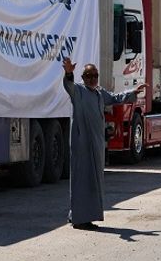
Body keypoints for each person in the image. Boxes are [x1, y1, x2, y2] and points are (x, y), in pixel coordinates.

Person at [62, 57, 146, 230]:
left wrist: (133, 92)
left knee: (93, 182)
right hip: (82, 144)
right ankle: (80, 219)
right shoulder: (78, 91)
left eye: (95, 75)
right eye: (89, 76)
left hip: (97, 145)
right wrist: (68, 73)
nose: (92, 79)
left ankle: (79, 215)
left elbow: (115, 98)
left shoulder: (99, 93)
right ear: (83, 77)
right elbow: (68, 85)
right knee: (81, 180)